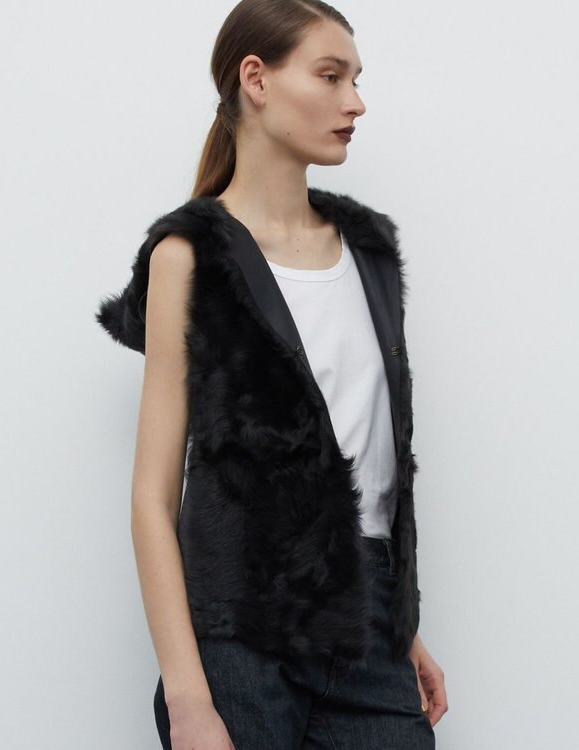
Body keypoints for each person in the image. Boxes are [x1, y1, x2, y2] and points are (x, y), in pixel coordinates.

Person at [96, 1, 448, 747]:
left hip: (369, 633)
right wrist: (189, 699)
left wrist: (401, 625)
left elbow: (369, 464)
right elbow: (152, 498)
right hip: (238, 643)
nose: (355, 103)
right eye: (330, 76)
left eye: (355, 79)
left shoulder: (370, 253)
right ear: (255, 79)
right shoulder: (189, 257)